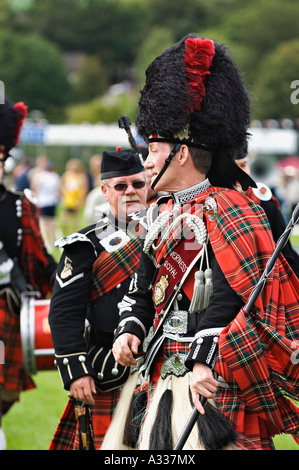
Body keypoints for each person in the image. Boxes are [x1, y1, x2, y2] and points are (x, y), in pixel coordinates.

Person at [110, 34, 299, 451]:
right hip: (163, 367)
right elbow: (144, 289)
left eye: (154, 149)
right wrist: (130, 329)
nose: (146, 160)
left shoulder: (231, 205)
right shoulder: (159, 214)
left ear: (180, 154)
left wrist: (203, 357)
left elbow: (234, 290)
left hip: (216, 374)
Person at [48, 147, 148, 450]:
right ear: (105, 191)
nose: (130, 191)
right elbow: (64, 312)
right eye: (120, 185)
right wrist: (75, 371)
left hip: (165, 363)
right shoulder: (85, 245)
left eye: (137, 183)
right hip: (112, 369)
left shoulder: (171, 234)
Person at [0, 100, 57, 450]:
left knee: (5, 387)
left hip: (6, 314)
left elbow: (40, 263)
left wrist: (75, 282)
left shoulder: (19, 207)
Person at [235, 151, 299, 278]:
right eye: (232, 167)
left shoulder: (265, 203)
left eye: (243, 165)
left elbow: (287, 256)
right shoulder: (201, 204)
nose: (239, 174)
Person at [31, 160, 61, 250]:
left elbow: (34, 187)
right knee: (51, 222)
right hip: (52, 201)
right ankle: (51, 240)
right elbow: (58, 191)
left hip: (42, 201)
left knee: (43, 222)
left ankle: (46, 241)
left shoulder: (40, 176)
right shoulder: (55, 176)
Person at [60, 158, 89, 234]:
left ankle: (74, 234)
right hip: (67, 200)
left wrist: (81, 200)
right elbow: (62, 186)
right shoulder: (66, 175)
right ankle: (65, 234)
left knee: (75, 221)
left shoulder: (81, 176)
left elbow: (84, 189)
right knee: (64, 220)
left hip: (76, 200)